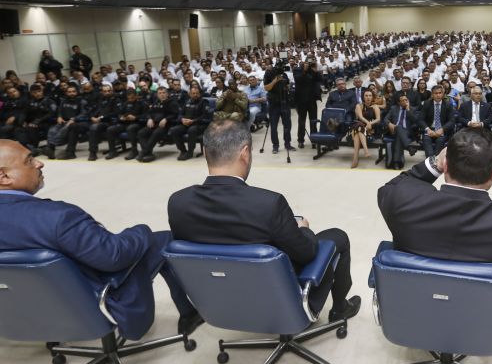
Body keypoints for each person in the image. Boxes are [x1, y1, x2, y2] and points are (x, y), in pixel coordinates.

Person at [0, 139, 201, 340]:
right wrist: (141, 230)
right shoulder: (57, 218)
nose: (39, 163)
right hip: (91, 304)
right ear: (3, 175)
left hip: (24, 309)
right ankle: (189, 314)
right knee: (163, 240)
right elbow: (114, 256)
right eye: (29, 161)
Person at [167, 119, 360, 321]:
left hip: (220, 304)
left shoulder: (178, 203)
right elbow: (306, 254)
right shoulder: (268, 204)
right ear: (245, 153)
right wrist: (303, 229)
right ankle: (340, 309)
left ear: (205, 152)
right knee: (337, 237)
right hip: (280, 304)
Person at [377, 127, 492, 271]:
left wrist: (434, 164)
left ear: (445, 165)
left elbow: (394, 187)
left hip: (411, 298)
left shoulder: (401, 200)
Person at [263, 62, 295, 154]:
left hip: (285, 102)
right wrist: (275, 80)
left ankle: (287, 144)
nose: (280, 69)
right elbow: (266, 88)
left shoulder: (284, 75)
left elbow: (288, 85)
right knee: (273, 126)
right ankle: (275, 146)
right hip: (274, 104)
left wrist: (287, 88)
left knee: (287, 125)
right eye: (278, 67)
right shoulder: (268, 74)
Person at [418, 85, 455, 158]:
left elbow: (452, 121)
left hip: (442, 130)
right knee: (426, 140)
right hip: (429, 130)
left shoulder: (448, 104)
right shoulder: (426, 104)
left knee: (440, 141)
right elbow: (420, 120)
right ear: (432, 94)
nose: (438, 95)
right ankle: (431, 161)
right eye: (436, 93)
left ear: (443, 94)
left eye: (440, 93)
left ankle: (435, 160)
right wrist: (427, 129)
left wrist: (442, 129)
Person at [383, 94, 419, 170]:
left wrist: (408, 109)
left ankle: (396, 162)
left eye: (406, 100)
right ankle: (409, 148)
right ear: (399, 103)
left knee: (399, 138)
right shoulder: (393, 108)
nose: (405, 102)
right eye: (402, 101)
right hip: (394, 130)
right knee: (399, 127)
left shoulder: (412, 109)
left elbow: (415, 120)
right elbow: (385, 119)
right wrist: (389, 124)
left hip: (407, 132)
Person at [294, 59, 321, 149]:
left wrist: (316, 70)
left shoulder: (312, 70)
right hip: (301, 102)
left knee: (313, 121)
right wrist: (304, 71)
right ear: (302, 63)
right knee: (301, 122)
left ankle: (314, 140)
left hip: (312, 101)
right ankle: (300, 140)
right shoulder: (297, 70)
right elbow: (298, 80)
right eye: (306, 63)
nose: (307, 64)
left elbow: (320, 79)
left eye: (308, 63)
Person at [350, 89, 380, 168]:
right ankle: (365, 150)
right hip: (360, 125)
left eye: (370, 95)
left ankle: (355, 158)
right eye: (366, 95)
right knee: (359, 126)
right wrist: (368, 123)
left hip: (369, 129)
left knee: (358, 131)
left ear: (372, 97)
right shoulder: (359, 105)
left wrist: (370, 124)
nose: (368, 97)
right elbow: (360, 117)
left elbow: (378, 119)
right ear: (363, 97)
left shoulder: (375, 106)